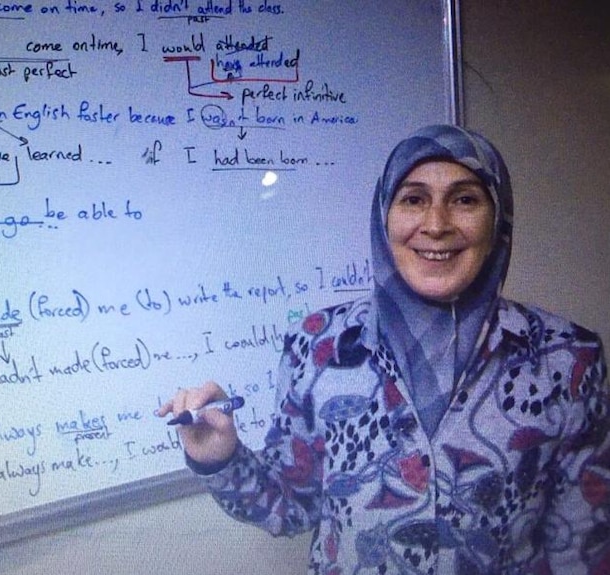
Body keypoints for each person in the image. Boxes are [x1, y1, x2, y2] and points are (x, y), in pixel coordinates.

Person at [157, 125, 609, 574]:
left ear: (498, 219)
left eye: (465, 199)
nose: (436, 224)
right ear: (383, 215)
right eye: (413, 199)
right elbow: (291, 505)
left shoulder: (567, 360)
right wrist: (218, 458)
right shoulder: (318, 344)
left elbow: (582, 544)